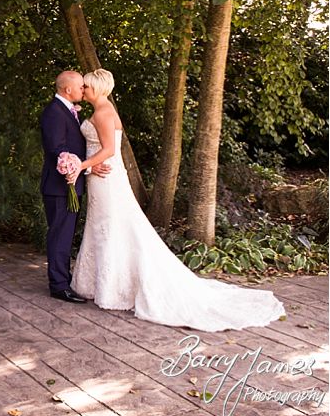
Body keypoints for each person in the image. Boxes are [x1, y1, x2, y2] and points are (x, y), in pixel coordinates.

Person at [67, 68, 285, 331]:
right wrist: (90, 166)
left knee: (112, 226)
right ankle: (101, 282)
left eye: (88, 87)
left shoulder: (103, 113)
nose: (85, 90)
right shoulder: (101, 111)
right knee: (103, 225)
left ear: (97, 89)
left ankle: (114, 287)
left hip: (107, 179)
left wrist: (82, 165)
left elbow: (110, 150)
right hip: (101, 177)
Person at [40, 71, 110, 303]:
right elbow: (57, 151)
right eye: (81, 86)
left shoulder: (69, 111)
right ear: (68, 90)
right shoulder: (54, 113)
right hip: (60, 186)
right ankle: (59, 286)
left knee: (65, 234)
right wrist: (85, 168)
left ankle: (63, 279)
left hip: (71, 183)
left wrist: (88, 167)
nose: (84, 89)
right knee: (60, 235)